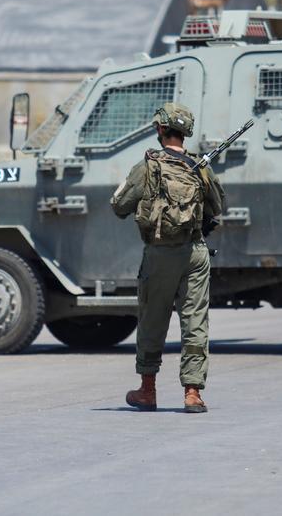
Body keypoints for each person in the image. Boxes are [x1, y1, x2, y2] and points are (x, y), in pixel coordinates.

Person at [110, 103, 225, 413]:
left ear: (160, 130)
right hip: (195, 252)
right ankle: (192, 394)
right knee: (195, 320)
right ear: (185, 132)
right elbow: (218, 206)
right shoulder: (200, 166)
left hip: (160, 253)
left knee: (152, 319)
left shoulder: (148, 166)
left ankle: (147, 391)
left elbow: (119, 205)